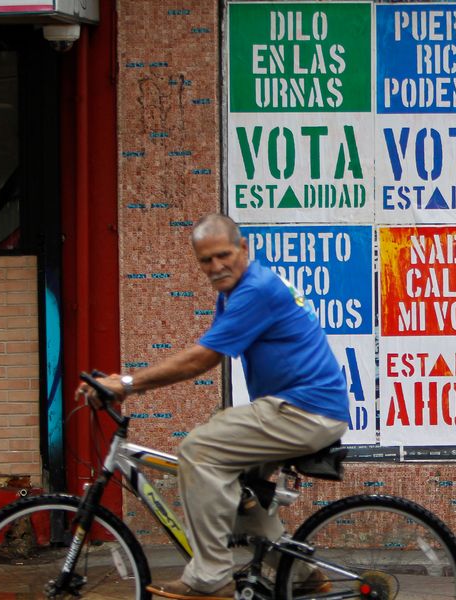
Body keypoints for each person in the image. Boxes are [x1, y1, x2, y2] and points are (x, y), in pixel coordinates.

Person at [77, 213, 349, 599]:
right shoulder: (234, 293)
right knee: (237, 494)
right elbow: (210, 353)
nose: (216, 266)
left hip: (304, 409)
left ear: (244, 249)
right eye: (206, 260)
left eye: (223, 255)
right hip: (299, 407)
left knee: (199, 450)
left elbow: (202, 359)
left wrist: (126, 384)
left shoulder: (256, 289)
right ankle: (302, 575)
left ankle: (210, 577)